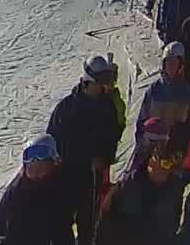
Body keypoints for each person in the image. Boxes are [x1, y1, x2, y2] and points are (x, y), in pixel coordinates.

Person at [50, 54, 126, 243]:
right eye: (102, 80)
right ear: (90, 80)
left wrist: (105, 157)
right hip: (68, 174)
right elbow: (53, 138)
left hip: (92, 177)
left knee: (89, 223)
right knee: (62, 221)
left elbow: (113, 135)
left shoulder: (106, 106)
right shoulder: (68, 107)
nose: (105, 85)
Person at [96, 116, 187, 243]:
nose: (165, 169)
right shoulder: (129, 185)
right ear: (151, 161)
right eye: (163, 162)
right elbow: (106, 221)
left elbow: (172, 227)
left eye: (170, 164)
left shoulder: (174, 189)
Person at [0, 134, 76, 245]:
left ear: (54, 163)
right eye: (31, 167)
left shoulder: (62, 188)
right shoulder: (18, 188)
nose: (35, 172)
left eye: (41, 166)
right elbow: (0, 217)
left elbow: (64, 229)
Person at [137, 44, 190, 159]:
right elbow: (142, 120)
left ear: (180, 65)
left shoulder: (185, 90)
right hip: (152, 149)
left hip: (174, 149)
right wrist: (143, 144)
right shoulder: (154, 89)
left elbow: (187, 122)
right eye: (169, 62)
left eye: (174, 62)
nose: (171, 66)